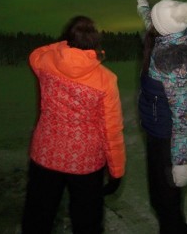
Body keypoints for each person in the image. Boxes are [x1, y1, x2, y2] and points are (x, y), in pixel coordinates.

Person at [21, 15, 126, 234]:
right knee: (87, 223)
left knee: (37, 218)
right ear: (96, 43)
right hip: (86, 163)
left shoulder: (45, 63)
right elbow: (111, 129)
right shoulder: (106, 79)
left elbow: (36, 53)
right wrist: (116, 170)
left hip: (46, 155)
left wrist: (62, 45)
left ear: (67, 39)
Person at [136, 0, 187, 234]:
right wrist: (144, 9)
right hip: (155, 127)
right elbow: (155, 21)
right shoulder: (177, 31)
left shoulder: (173, 67)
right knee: (159, 194)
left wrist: (181, 163)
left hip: (166, 137)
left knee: (165, 199)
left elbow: (183, 118)